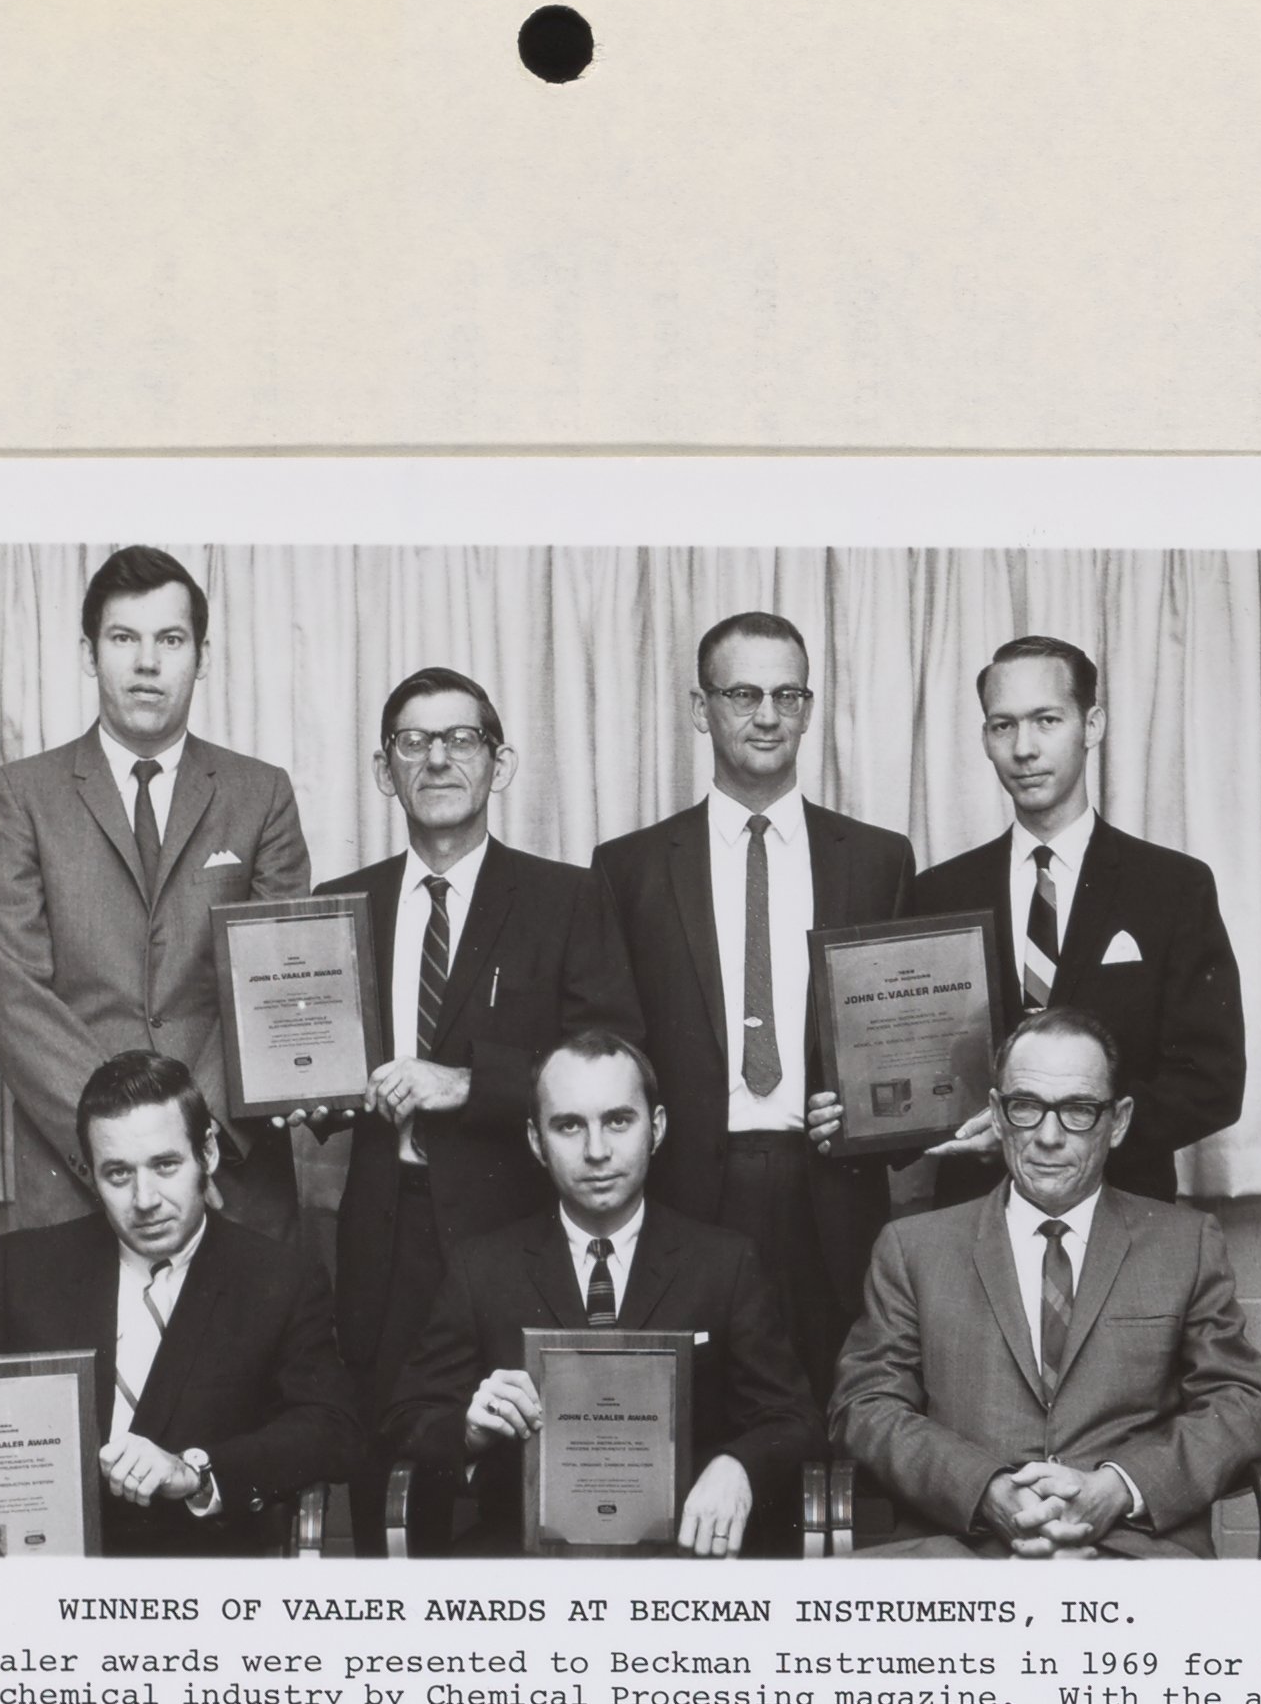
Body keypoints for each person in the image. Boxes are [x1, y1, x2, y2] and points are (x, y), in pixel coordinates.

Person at [315, 667, 643, 1545]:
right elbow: (315, 1070)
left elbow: (615, 1057)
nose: (437, 759)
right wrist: (293, 1093)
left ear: (501, 763)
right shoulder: (337, 908)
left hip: (518, 1230)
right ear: (383, 769)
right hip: (385, 1238)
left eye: (461, 739)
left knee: (531, 1487)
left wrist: (467, 1083)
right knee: (392, 1484)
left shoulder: (565, 897)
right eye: (413, 742)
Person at [590, 610, 914, 1403]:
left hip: (831, 1190)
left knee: (840, 1417)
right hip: (686, 1191)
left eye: (786, 695)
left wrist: (877, 1115)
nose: (766, 715)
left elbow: (906, 1037)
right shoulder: (630, 867)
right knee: (695, 1419)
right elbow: (610, 1042)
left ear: (807, 708)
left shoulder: (877, 860)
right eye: (742, 694)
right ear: (700, 709)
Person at [0, 1052, 359, 1556]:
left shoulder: (278, 1278)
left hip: (195, 1567)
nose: (145, 1199)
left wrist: (194, 1470)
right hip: (43, 1565)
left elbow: (330, 1427)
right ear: (91, 1175)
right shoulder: (23, 1268)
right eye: (118, 1174)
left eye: (165, 1165)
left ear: (207, 1153)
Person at [830, 1008, 1261, 1557]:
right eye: (1026, 1107)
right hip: (963, 1553)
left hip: (1132, 1553)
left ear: (1119, 1122)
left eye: (1078, 1111)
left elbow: (1242, 1403)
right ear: (997, 1114)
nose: (1048, 1137)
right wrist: (986, 1491)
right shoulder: (913, 1248)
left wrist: (1118, 1488)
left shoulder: (1186, 1244)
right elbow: (865, 1405)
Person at [0, 545, 315, 1236]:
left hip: (228, 1168)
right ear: (90, 653)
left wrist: (196, 1141)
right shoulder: (19, 796)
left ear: (202, 657)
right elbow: (13, 999)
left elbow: (273, 986)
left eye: (171, 639)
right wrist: (120, 1153)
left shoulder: (262, 793)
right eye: (124, 638)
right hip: (76, 1177)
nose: (147, 662)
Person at [379, 1030, 818, 1558]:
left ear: (656, 1128)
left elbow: (792, 1418)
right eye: (569, 1125)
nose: (596, 1151)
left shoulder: (725, 1263)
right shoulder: (483, 1267)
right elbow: (406, 1418)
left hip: (684, 1560)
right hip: (526, 1563)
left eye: (618, 1121)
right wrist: (469, 1430)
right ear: (536, 1141)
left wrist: (739, 1464)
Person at [901, 634, 1246, 1205]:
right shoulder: (938, 893)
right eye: (1003, 726)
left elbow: (1212, 1082)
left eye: (1047, 720)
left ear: (1092, 725)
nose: (1024, 749)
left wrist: (1072, 1133)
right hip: (974, 1215)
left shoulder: (1173, 888)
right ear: (985, 739)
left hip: (1124, 1211)